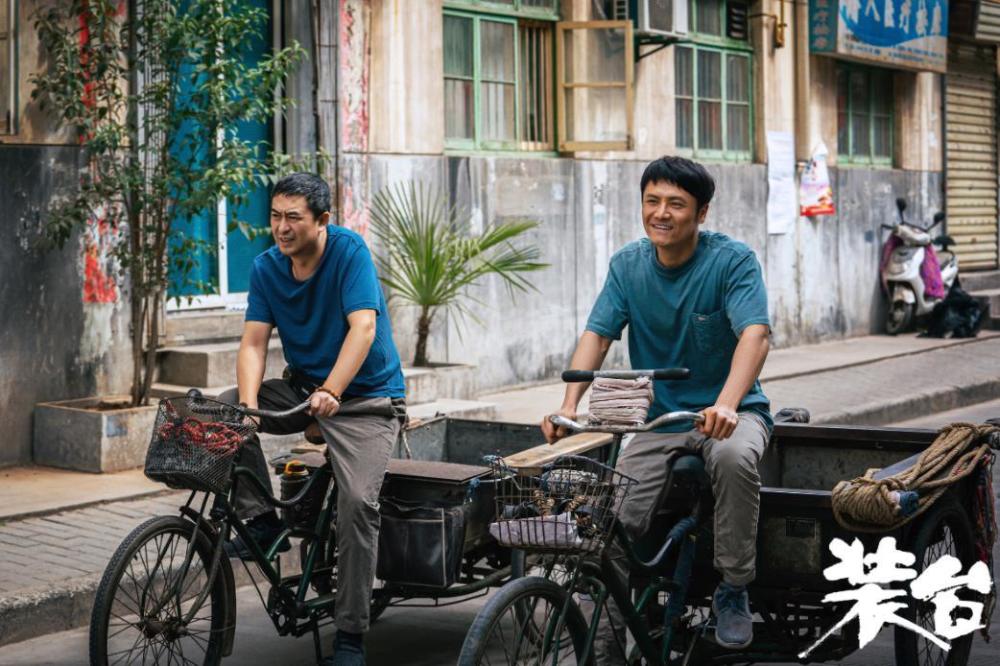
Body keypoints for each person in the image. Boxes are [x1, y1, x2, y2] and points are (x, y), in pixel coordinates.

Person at [541, 156, 772, 659]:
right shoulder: (628, 265)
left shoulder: (731, 261)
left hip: (730, 414)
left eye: (676, 204)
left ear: (701, 212)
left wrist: (727, 405)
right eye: (652, 201)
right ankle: (608, 632)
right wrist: (569, 404)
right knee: (612, 517)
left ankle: (733, 585)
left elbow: (755, 334)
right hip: (657, 422)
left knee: (734, 459)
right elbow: (597, 335)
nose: (661, 213)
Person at [219, 172, 406, 666]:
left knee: (359, 504)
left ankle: (350, 633)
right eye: (275, 216)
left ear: (322, 221)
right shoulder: (266, 268)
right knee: (221, 412)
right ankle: (260, 519)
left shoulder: (349, 252)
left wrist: (333, 390)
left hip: (366, 398)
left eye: (293, 218)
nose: (281, 228)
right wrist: (248, 405)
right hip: (304, 389)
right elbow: (254, 342)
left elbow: (363, 328)